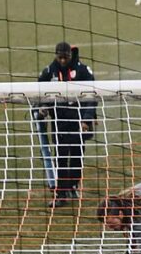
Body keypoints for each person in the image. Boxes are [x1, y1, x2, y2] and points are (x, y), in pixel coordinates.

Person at [36, 42, 98, 208]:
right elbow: (40, 92)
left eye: (66, 57)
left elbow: (91, 97)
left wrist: (86, 119)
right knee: (61, 157)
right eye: (60, 57)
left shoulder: (83, 71)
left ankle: (73, 185)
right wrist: (42, 107)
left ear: (71, 55)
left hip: (79, 121)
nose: (63, 60)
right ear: (56, 55)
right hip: (60, 121)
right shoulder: (49, 71)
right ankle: (61, 194)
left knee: (77, 155)